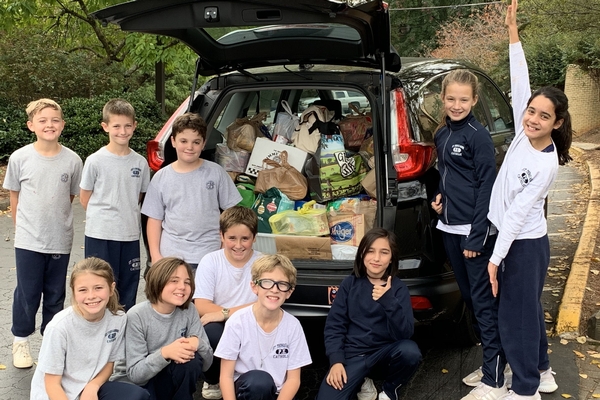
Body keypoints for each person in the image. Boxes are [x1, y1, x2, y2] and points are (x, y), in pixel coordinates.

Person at [486, 1, 572, 399]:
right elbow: (520, 78)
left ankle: (524, 390)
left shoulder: (545, 164)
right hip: (516, 241)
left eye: (543, 116)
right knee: (528, 312)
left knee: (515, 319)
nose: (533, 118)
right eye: (531, 111)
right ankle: (542, 370)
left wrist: (495, 258)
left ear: (557, 123)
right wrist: (512, 31)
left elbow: (519, 214)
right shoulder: (524, 132)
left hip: (522, 244)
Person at [430, 71, 506, 400]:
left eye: (463, 99)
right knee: (472, 299)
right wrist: (441, 199)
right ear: (443, 99)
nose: (456, 105)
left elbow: (487, 188)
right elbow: (450, 176)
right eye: (451, 99)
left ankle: (494, 378)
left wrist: (477, 238)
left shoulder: (479, 137)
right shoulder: (442, 133)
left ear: (474, 100)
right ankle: (497, 363)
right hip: (449, 227)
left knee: (484, 303)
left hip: (473, 234)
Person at [2, 98, 83, 369]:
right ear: (31, 125)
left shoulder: (72, 160)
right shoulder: (20, 158)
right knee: (27, 292)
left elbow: (70, 196)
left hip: (60, 238)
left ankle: (52, 342)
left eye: (55, 120)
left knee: (55, 293)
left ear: (62, 124)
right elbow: (14, 197)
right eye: (43, 120)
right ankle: (21, 341)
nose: (49, 125)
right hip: (28, 240)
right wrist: (23, 227)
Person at [315, 228, 422, 400]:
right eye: (370, 251)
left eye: (384, 252)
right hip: (354, 356)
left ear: (392, 258)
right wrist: (336, 361)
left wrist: (388, 301)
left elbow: (405, 333)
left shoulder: (398, 288)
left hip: (384, 354)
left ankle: (389, 389)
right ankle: (362, 380)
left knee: (410, 351)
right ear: (362, 254)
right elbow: (335, 326)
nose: (377, 258)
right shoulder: (349, 284)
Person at [30, 257, 150, 400]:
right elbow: (51, 384)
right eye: (83, 290)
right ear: (74, 292)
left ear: (111, 288)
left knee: (138, 395)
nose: (91, 296)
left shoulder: (118, 319)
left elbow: (109, 363)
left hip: (90, 390)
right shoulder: (59, 328)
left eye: (98, 288)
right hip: (56, 395)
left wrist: (92, 386)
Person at [141, 112, 242, 270]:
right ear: (173, 141)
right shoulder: (161, 178)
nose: (189, 147)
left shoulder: (216, 173)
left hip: (210, 255)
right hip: (171, 257)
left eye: (196, 142)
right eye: (183, 141)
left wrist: (225, 247)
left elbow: (232, 213)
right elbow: (154, 219)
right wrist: (155, 256)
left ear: (204, 143)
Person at [80, 98, 150, 311]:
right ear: (105, 127)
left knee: (127, 287)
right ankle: (98, 328)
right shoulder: (95, 160)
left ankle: (123, 330)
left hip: (129, 235)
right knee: (99, 284)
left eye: (127, 125)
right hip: (100, 234)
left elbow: (139, 195)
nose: (122, 131)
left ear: (134, 126)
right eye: (116, 126)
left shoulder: (140, 162)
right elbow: (85, 198)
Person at [215, 254, 312, 400]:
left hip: (276, 394)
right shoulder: (237, 321)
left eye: (282, 284)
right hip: (245, 390)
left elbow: (293, 379)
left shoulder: (293, 326)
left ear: (289, 292)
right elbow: (226, 376)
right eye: (267, 282)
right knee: (259, 382)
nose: (274, 289)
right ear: (254, 286)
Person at [193, 206, 262, 400]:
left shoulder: (263, 263)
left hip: (251, 322)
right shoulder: (210, 261)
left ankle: (243, 377)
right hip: (220, 323)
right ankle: (213, 378)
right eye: (232, 238)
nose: (238, 245)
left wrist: (224, 313)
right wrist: (226, 315)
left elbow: (266, 305)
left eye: (245, 239)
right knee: (210, 332)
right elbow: (201, 305)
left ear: (254, 237)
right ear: (221, 236)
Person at [125, 257, 213, 400]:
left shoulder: (189, 310)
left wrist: (198, 343)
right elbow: (136, 375)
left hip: (170, 378)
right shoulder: (137, 316)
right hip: (140, 386)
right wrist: (165, 353)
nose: (182, 287)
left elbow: (206, 365)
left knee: (191, 360)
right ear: (158, 281)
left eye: (187, 282)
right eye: (174, 280)